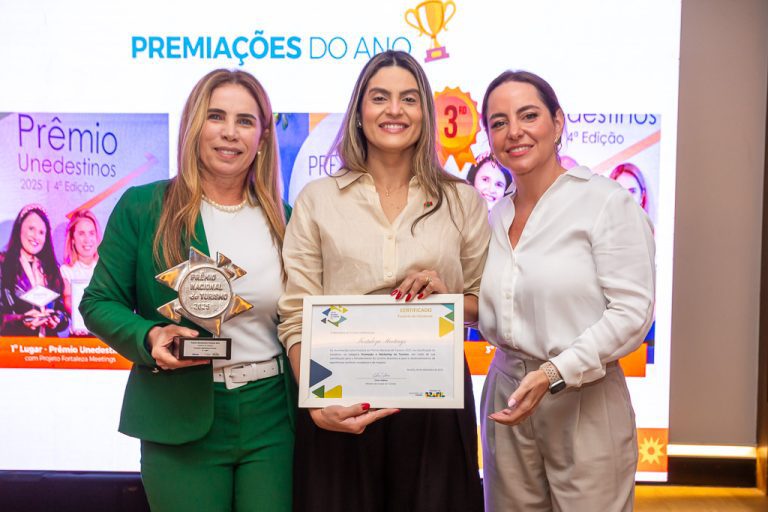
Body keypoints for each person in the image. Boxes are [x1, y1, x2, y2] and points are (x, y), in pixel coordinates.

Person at [278, 50, 489, 512]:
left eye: (409, 99)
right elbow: (295, 314)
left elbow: (485, 305)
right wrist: (315, 401)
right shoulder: (317, 199)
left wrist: (449, 297)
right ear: (358, 112)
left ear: (426, 113)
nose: (395, 110)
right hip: (342, 398)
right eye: (379, 98)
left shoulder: (462, 200)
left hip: (435, 402)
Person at [80, 69, 294, 512]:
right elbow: (98, 301)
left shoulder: (286, 220)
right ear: (194, 125)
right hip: (179, 415)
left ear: (263, 137)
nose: (230, 133)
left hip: (273, 416)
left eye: (245, 121)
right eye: (216, 116)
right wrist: (149, 336)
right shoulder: (144, 207)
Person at [477, 70, 655, 512]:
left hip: (583, 395)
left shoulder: (605, 202)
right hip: (506, 394)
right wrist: (439, 298)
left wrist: (554, 372)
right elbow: (500, 306)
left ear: (557, 123)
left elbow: (632, 312)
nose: (514, 131)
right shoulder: (494, 217)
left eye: (528, 115)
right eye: (499, 122)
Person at [0, 204, 69, 337]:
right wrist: (21, 320)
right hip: (15, 345)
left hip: (49, 346)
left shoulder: (51, 269)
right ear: (19, 229)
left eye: (41, 232)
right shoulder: (3, 265)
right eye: (31, 229)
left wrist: (57, 319)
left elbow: (63, 314)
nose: (36, 237)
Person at [60, 209, 101, 335]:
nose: (87, 239)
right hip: (80, 337)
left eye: (91, 233)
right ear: (72, 239)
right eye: (81, 233)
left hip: (106, 335)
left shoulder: (106, 269)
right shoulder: (66, 271)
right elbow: (68, 303)